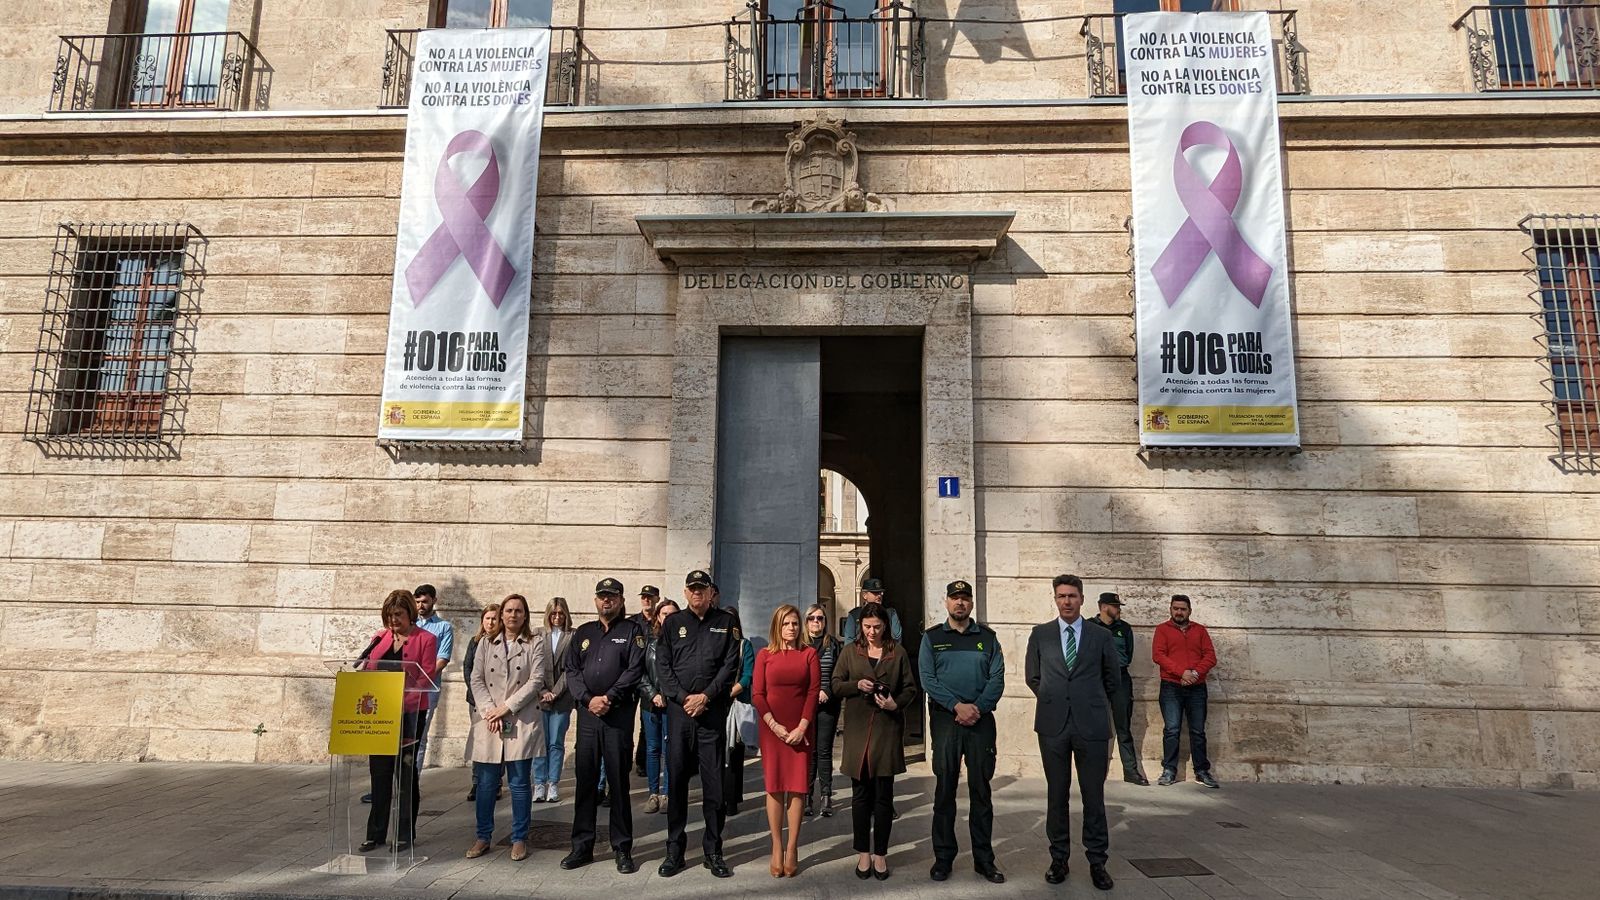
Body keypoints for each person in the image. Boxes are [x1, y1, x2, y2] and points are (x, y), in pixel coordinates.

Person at [1024, 574, 1119, 891]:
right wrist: (1056, 699)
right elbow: (1033, 677)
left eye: (1072, 596)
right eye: (1061, 596)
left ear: (1082, 599)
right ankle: (1059, 859)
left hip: (1091, 725)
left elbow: (1112, 679)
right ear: (1055, 598)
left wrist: (1088, 701)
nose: (1067, 601)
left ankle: (1097, 862)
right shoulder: (1041, 635)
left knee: (1094, 796)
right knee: (1057, 794)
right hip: (1053, 725)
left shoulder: (1100, 636)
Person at [655, 569, 743, 879]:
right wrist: (682, 697)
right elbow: (661, 665)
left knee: (714, 787)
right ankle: (674, 851)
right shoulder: (672, 623)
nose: (696, 593)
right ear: (685, 592)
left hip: (711, 715)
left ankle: (713, 850)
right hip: (680, 715)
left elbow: (730, 665)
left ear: (710, 593)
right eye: (692, 589)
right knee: (677, 783)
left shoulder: (726, 623)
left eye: (701, 589)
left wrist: (705, 696)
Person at [919, 579, 1006, 884]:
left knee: (981, 792)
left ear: (971, 603)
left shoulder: (988, 637)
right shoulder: (932, 638)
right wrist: (957, 706)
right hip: (946, 722)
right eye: (955, 598)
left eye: (965, 598)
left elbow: (997, 678)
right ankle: (943, 858)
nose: (960, 603)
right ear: (946, 602)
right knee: (945, 792)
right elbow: (928, 679)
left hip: (980, 722)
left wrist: (977, 708)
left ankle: (984, 859)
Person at [561, 577, 647, 874]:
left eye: (611, 596)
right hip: (588, 718)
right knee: (585, 783)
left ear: (621, 600)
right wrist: (587, 699)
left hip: (617, 718)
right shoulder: (584, 632)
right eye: (601, 596)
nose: (606, 601)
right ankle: (581, 846)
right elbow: (571, 670)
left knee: (619, 785)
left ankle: (622, 848)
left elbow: (635, 670)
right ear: (596, 600)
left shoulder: (632, 631)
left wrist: (608, 697)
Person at [832, 602, 916, 882]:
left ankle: (880, 854)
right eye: (867, 627)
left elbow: (910, 688)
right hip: (858, 734)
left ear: (885, 626)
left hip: (886, 731)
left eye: (877, 627)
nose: (871, 632)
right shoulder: (849, 651)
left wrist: (895, 704)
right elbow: (835, 684)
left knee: (883, 797)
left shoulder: (898, 653)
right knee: (860, 797)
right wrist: (856, 685)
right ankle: (863, 853)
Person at [465, 593, 547, 862]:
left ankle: (519, 838)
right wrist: (491, 711)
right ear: (501, 615)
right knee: (487, 783)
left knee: (520, 782)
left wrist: (507, 707)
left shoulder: (535, 643)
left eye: (519, 611)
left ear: (525, 615)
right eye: (509, 610)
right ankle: (482, 836)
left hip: (520, 718)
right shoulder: (486, 643)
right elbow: (476, 679)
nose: (513, 615)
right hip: (490, 720)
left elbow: (536, 680)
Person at [357, 589, 438, 853]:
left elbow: (424, 679)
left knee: (404, 774)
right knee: (379, 774)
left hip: (410, 714)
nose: (393, 620)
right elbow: (366, 670)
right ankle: (376, 833)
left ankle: (405, 833)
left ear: (410, 614)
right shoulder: (379, 638)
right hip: (380, 716)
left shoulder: (426, 639)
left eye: (398, 615)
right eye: (389, 615)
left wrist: (397, 701)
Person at [752, 604, 820, 878]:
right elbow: (757, 694)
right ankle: (776, 847)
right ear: (777, 626)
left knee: (797, 787)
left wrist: (802, 726)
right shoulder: (765, 655)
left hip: (800, 728)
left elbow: (813, 692)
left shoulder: (809, 654)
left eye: (794, 623)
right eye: (786, 624)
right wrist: (774, 725)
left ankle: (792, 847)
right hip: (773, 730)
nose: (791, 628)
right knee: (775, 786)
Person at [1152, 593, 1219, 788]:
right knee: (1171, 730)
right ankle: (1169, 770)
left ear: (1189, 610)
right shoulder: (1162, 630)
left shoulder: (1200, 630)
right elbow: (1158, 655)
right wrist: (1182, 672)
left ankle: (1202, 771)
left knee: (1198, 731)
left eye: (1183, 609)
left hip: (1197, 687)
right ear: (1171, 609)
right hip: (1171, 686)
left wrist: (1195, 674)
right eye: (1175, 608)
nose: (1179, 612)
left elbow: (1210, 656)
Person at [1087, 591, 1147, 785]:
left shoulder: (1124, 628)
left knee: (1123, 727)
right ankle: (1095, 773)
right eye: (1116, 606)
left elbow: (1128, 656)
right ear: (1104, 607)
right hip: (1096, 680)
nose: (1119, 610)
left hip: (1120, 679)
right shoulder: (1088, 627)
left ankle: (1131, 771)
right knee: (1096, 729)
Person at [637, 597, 680, 813]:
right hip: (650, 703)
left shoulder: (683, 642)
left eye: (673, 614)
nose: (668, 618)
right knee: (653, 748)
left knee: (670, 748)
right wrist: (653, 693)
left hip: (673, 704)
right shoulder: (648, 641)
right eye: (664, 614)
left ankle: (667, 793)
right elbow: (639, 671)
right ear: (657, 617)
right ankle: (653, 793)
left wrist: (669, 694)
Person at [802, 602, 842, 818]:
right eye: (812, 618)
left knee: (824, 751)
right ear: (806, 621)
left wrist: (826, 690)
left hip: (828, 704)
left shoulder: (833, 644)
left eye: (820, 618)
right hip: (805, 706)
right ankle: (807, 797)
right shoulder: (799, 644)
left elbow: (839, 672)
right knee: (810, 752)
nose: (816, 622)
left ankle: (826, 797)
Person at [533, 597, 575, 803]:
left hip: (562, 698)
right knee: (540, 743)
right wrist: (542, 690)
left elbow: (571, 668)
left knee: (556, 743)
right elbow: (533, 665)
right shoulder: (538, 634)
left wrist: (555, 692)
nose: (557, 617)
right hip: (539, 697)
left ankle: (553, 783)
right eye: (554, 613)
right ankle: (539, 783)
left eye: (561, 613)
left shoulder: (573, 635)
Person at [412, 583, 455, 772]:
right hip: (404, 688)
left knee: (419, 736)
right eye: (418, 602)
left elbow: (443, 659)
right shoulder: (409, 624)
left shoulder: (444, 627)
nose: (421, 606)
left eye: (425, 602)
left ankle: (412, 781)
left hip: (428, 688)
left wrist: (422, 679)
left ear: (434, 601)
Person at [463, 604, 501, 802]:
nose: (491, 622)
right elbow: (468, 669)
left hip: (499, 702)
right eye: (487, 618)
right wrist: (477, 694)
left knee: (498, 743)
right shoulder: (475, 642)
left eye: (494, 618)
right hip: (477, 701)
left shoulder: (504, 642)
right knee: (479, 742)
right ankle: (477, 782)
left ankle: (496, 783)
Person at [721, 625, 755, 817]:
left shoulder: (744, 646)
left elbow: (748, 675)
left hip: (737, 704)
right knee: (718, 753)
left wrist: (731, 692)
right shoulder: (715, 644)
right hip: (717, 704)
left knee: (734, 752)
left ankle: (732, 799)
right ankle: (721, 796)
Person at [632, 584, 661, 778]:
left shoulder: (660, 621)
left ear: (657, 599)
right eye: (644, 597)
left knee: (646, 722)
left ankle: (642, 762)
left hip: (650, 679)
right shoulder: (633, 622)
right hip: (633, 677)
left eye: (650, 597)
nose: (647, 600)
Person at [840, 578, 903, 643]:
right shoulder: (855, 614)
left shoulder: (890, 613)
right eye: (875, 593)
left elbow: (896, 639)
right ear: (865, 595)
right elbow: (849, 642)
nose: (879, 595)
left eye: (880, 592)